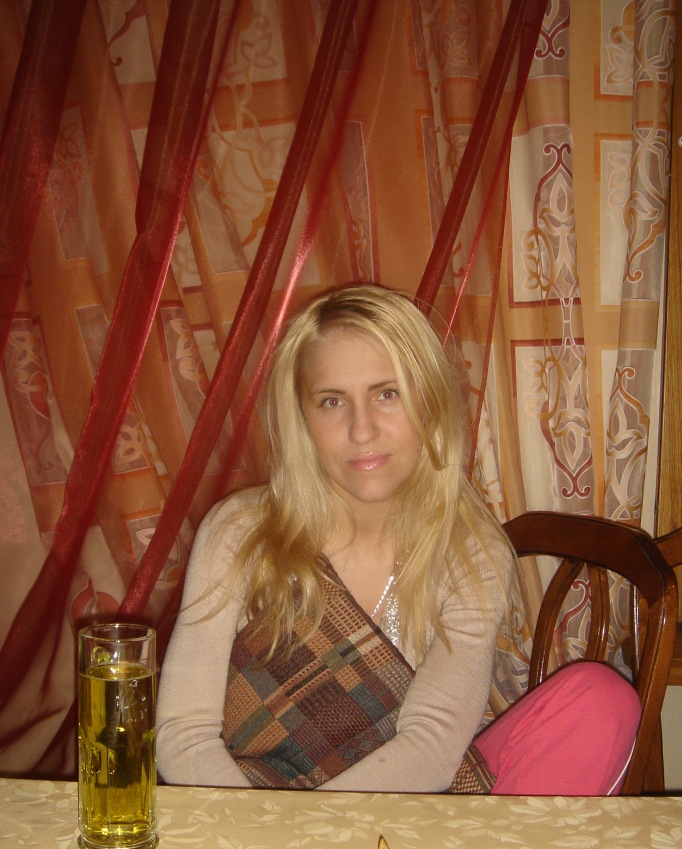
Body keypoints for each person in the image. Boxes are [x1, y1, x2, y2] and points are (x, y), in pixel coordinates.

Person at [156, 284, 640, 795]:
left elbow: (431, 746)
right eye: (331, 401)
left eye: (387, 394)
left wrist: (318, 830)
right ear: (303, 420)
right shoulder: (240, 532)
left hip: (407, 805)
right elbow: (184, 735)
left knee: (599, 700)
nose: (362, 430)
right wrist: (262, 830)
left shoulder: (470, 552)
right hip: (245, 804)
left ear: (429, 402)